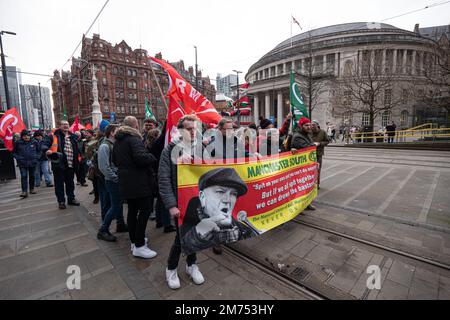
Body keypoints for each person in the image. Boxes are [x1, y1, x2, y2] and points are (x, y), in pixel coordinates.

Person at [159, 115, 206, 290]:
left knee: (194, 234)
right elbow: (163, 179)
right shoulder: (169, 150)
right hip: (179, 204)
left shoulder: (201, 149)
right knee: (181, 238)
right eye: (189, 128)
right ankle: (171, 268)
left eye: (195, 128)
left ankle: (191, 264)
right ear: (180, 130)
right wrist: (171, 205)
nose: (193, 132)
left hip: (197, 202)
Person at [180, 168, 256, 256]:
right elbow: (183, 245)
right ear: (202, 197)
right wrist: (197, 234)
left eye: (233, 194)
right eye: (220, 192)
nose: (227, 200)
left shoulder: (243, 230)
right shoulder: (191, 214)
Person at [113, 116, 158, 259]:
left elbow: (114, 160)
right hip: (139, 183)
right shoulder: (134, 139)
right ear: (135, 125)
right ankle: (139, 245)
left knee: (132, 212)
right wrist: (152, 157)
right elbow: (141, 158)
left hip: (126, 182)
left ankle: (134, 241)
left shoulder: (118, 140)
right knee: (144, 212)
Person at [97, 124, 128, 242]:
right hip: (112, 181)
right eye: (118, 131)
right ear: (111, 133)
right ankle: (103, 230)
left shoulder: (113, 144)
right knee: (115, 206)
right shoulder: (105, 146)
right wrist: (115, 178)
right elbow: (104, 167)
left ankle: (120, 225)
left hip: (116, 179)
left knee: (118, 204)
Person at [145, 127, 176, 233]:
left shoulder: (149, 144)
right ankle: (167, 224)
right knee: (163, 201)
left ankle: (159, 221)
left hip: (154, 174)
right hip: (159, 173)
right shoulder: (158, 144)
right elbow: (164, 133)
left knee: (159, 200)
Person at [45, 120, 81, 209]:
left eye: (67, 124)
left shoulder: (73, 137)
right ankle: (61, 201)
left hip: (71, 165)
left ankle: (71, 199)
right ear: (60, 126)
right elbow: (44, 144)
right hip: (58, 165)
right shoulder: (54, 136)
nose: (65, 126)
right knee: (59, 184)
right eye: (63, 124)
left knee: (70, 183)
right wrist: (47, 149)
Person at [290, 117, 319, 211]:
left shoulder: (307, 134)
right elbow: (306, 148)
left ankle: (307, 203)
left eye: (309, 125)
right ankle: (299, 206)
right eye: (306, 125)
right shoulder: (298, 136)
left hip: (307, 166)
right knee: (299, 187)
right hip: (299, 167)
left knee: (307, 185)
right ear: (301, 126)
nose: (309, 127)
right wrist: (314, 144)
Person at [13, 130, 40, 198]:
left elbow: (39, 151)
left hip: (32, 162)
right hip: (22, 163)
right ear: (22, 136)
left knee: (32, 176)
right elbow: (14, 152)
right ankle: (24, 191)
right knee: (24, 176)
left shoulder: (34, 142)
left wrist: (36, 157)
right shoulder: (18, 143)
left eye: (28, 135)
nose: (26, 137)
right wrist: (18, 158)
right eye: (25, 136)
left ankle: (32, 189)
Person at [311, 121, 330, 189]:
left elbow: (327, 141)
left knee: (318, 169)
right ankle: (310, 184)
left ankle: (317, 184)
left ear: (317, 125)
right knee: (310, 170)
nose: (312, 126)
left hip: (319, 153)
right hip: (310, 154)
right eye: (311, 125)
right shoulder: (309, 132)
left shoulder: (323, 132)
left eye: (313, 125)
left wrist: (320, 143)